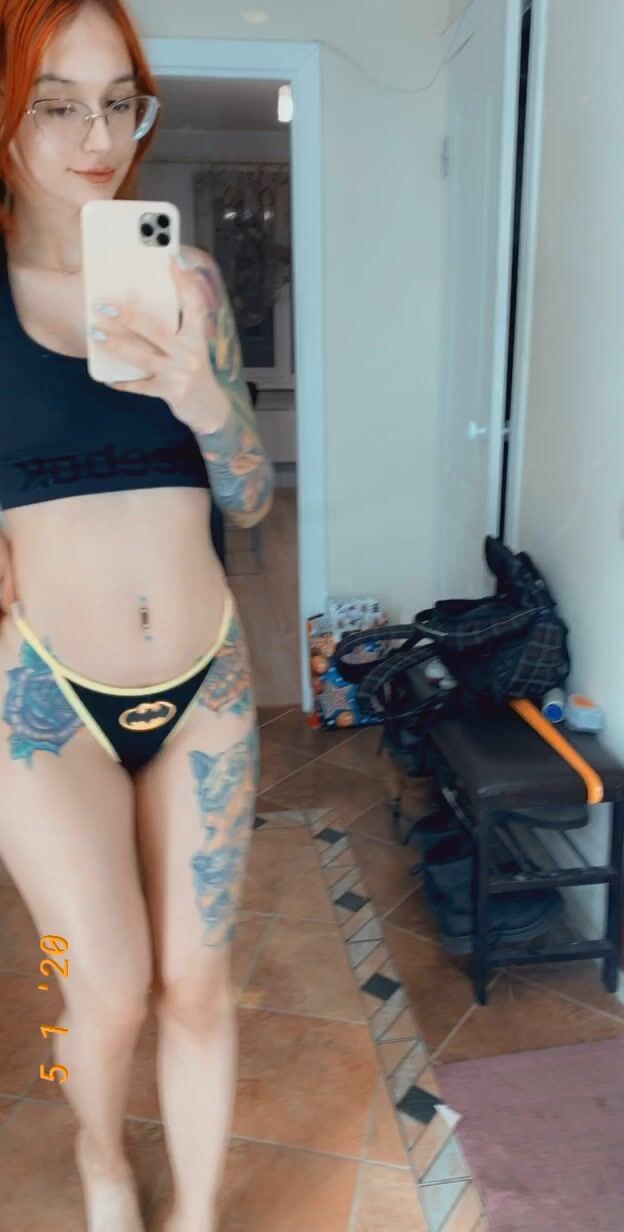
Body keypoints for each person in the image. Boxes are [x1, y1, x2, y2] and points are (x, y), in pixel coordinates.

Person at [0, 2, 274, 1230]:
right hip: (43, 696)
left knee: (197, 983)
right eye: (57, 103)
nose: (99, 137)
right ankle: (104, 1157)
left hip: (208, 677)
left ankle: (197, 1210)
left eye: (120, 102)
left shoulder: (189, 279)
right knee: (100, 989)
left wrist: (207, 400)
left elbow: (250, 501)